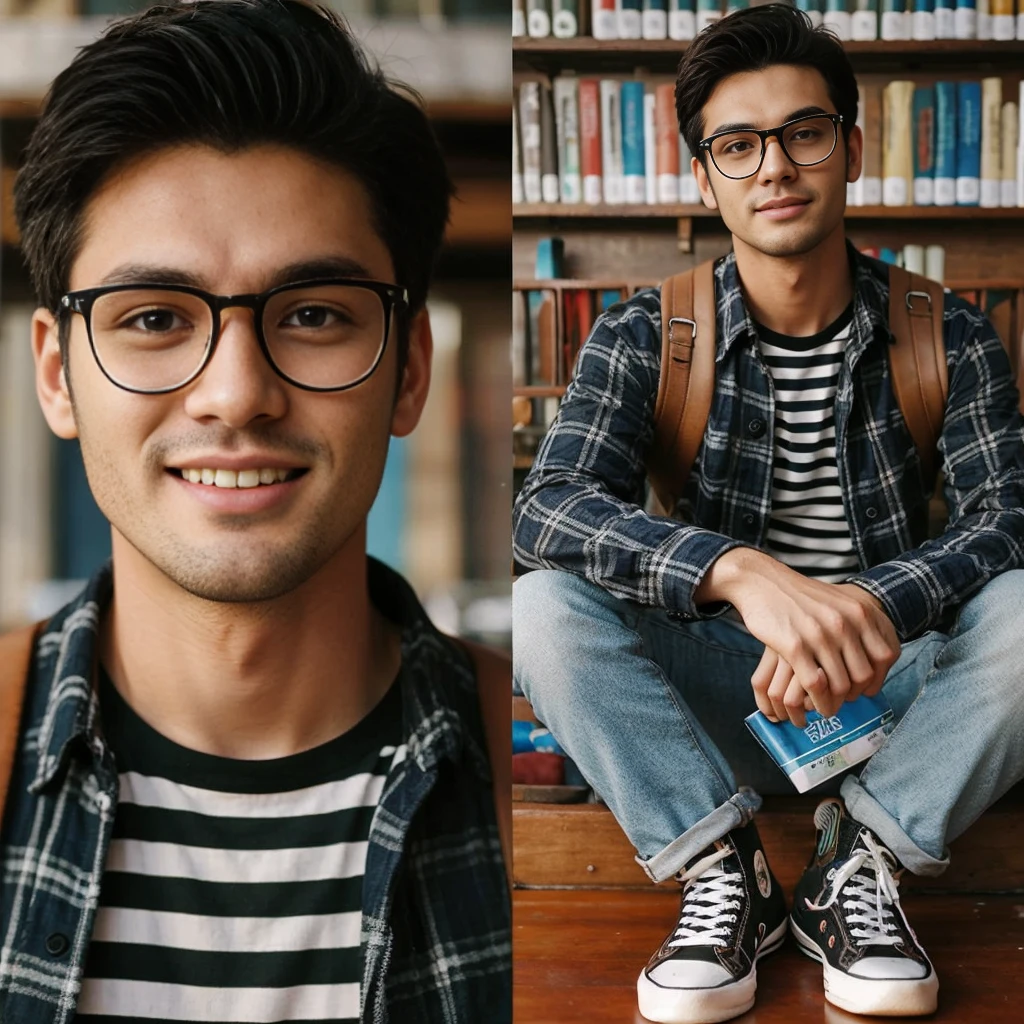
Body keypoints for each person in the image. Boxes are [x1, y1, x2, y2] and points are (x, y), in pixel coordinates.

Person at [513, 6, 1024, 1023]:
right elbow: (549, 507)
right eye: (737, 146)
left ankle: (856, 859)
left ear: (851, 148)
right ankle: (722, 866)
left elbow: (1006, 515)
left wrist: (854, 607)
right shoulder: (643, 335)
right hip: (710, 705)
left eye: (803, 133)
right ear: (703, 176)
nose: (774, 168)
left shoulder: (946, 332)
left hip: (899, 705)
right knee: (543, 609)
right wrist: (744, 576)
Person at [0, 2, 510, 1022]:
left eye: (314, 314)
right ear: (57, 375)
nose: (235, 393)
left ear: (409, 368)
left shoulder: (547, 772)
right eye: (152, 318)